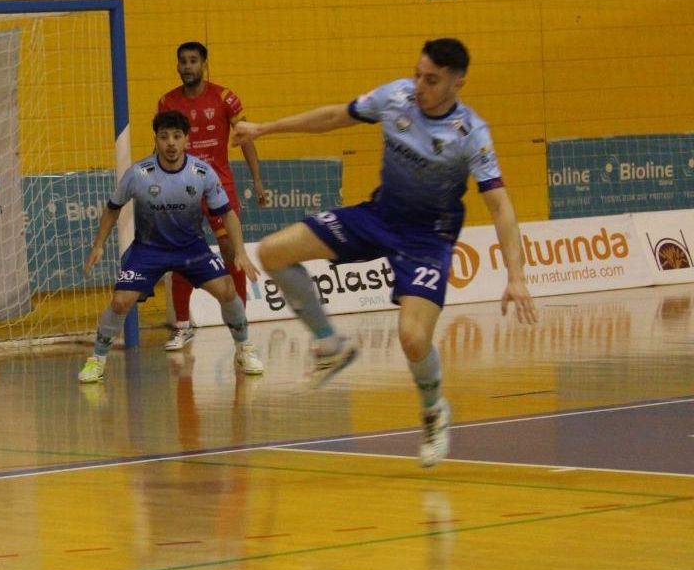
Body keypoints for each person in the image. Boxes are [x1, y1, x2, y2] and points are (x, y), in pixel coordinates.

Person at [233, 37, 538, 467]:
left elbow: (500, 205)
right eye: (418, 74)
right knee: (273, 251)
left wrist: (517, 276)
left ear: (458, 83)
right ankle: (330, 343)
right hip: (378, 216)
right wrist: (266, 128)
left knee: (413, 338)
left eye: (431, 80)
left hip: (426, 241)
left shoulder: (470, 134)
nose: (420, 86)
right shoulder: (395, 97)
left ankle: (434, 411)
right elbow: (336, 116)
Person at [78, 110, 264, 383]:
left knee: (227, 290)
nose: (171, 143)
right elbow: (112, 209)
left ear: (187, 140)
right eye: (164, 137)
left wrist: (241, 252)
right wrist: (98, 245)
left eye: (177, 136)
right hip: (148, 250)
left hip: (191, 248)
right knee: (120, 302)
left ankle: (244, 348)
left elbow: (227, 213)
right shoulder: (138, 174)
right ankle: (97, 359)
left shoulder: (201, 173)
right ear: (156, 140)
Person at [157, 41, 271, 350]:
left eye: (193, 61)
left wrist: (257, 181)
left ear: (204, 65)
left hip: (219, 189)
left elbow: (245, 139)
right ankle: (182, 325)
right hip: (183, 191)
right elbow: (162, 148)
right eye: (182, 61)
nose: (187, 67)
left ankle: (240, 326)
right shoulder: (167, 102)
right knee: (179, 254)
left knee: (231, 253)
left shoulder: (224, 97)